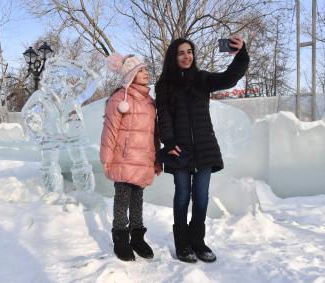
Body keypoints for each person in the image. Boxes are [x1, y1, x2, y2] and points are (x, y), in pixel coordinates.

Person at [155, 35, 249, 263]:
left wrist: (241, 53)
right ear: (173, 57)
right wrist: (168, 144)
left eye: (189, 52)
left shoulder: (202, 79)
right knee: (182, 196)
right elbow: (164, 117)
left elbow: (229, 78)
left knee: (201, 197)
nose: (186, 56)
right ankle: (182, 244)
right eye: (181, 53)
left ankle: (198, 242)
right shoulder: (164, 85)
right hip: (179, 150)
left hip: (204, 149)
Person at [100, 53, 162, 261]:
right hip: (123, 158)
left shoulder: (149, 102)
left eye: (146, 70)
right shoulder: (119, 99)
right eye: (142, 70)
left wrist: (156, 160)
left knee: (137, 199)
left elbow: (154, 134)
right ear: (131, 74)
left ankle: (137, 237)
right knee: (122, 200)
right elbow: (109, 130)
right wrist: (106, 159)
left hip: (143, 160)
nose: (146, 73)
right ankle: (120, 239)